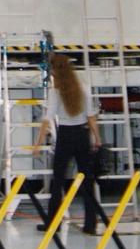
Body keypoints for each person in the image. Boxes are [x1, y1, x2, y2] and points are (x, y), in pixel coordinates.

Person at [34, 54, 101, 234]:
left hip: (65, 136)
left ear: (55, 71)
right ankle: (90, 224)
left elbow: (47, 119)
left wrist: (38, 143)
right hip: (82, 135)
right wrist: (97, 138)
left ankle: (52, 223)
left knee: (58, 180)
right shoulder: (83, 89)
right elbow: (91, 117)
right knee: (87, 180)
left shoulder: (56, 92)